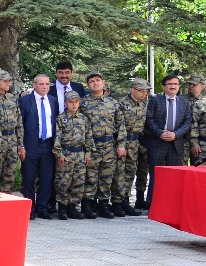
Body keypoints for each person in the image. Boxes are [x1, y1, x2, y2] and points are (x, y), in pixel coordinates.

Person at [79, 70, 124, 219]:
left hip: (109, 145)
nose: (95, 83)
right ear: (88, 85)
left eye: (98, 80)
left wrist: (121, 145)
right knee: (90, 176)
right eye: (91, 81)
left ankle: (103, 204)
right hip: (92, 146)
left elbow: (120, 125)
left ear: (103, 83)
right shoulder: (83, 103)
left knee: (106, 177)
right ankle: (87, 205)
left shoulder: (112, 103)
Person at [142, 73, 190, 210]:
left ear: (179, 87)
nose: (173, 86)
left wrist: (175, 134)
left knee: (174, 176)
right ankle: (153, 204)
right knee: (156, 175)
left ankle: (172, 205)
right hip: (157, 143)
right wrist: (160, 133)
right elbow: (149, 120)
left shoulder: (184, 102)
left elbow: (187, 122)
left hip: (176, 143)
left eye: (175, 84)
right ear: (163, 86)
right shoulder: (154, 99)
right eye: (170, 84)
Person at [18, 74, 58, 219]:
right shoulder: (24, 101)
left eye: (47, 84)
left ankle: (43, 207)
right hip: (31, 145)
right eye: (41, 84)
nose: (45, 87)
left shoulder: (53, 101)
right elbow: (20, 124)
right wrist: (21, 145)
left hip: (47, 144)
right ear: (34, 85)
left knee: (46, 178)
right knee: (29, 178)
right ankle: (30, 208)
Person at [114, 78, 151, 214]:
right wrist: (121, 144)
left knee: (131, 172)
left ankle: (128, 200)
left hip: (137, 142)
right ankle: (119, 202)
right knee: (121, 173)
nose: (144, 94)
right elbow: (119, 126)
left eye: (146, 92)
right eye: (141, 91)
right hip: (124, 141)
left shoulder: (144, 104)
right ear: (133, 90)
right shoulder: (123, 104)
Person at [54, 91, 91, 219]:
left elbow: (88, 137)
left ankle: (72, 207)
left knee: (78, 182)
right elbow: (57, 138)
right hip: (66, 153)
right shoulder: (61, 118)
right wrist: (59, 154)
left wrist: (88, 153)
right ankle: (62, 208)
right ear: (65, 103)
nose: (74, 105)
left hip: (79, 153)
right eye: (71, 102)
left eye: (76, 102)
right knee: (63, 182)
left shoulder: (83, 119)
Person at [0, 71, 24, 194]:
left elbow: (19, 122)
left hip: (12, 139)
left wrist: (20, 144)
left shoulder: (13, 99)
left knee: (10, 173)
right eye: (5, 81)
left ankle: (7, 198)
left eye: (9, 81)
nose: (8, 83)